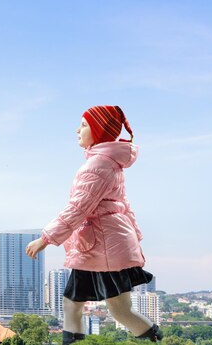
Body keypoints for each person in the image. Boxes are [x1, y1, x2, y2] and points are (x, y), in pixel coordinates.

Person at [25, 106, 163, 344]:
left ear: (98, 131)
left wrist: (45, 238)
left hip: (103, 248)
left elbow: (78, 208)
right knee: (73, 303)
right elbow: (123, 205)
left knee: (118, 309)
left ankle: (156, 338)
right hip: (96, 247)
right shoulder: (108, 162)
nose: (77, 130)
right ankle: (154, 337)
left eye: (85, 125)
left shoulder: (98, 165)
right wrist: (134, 239)